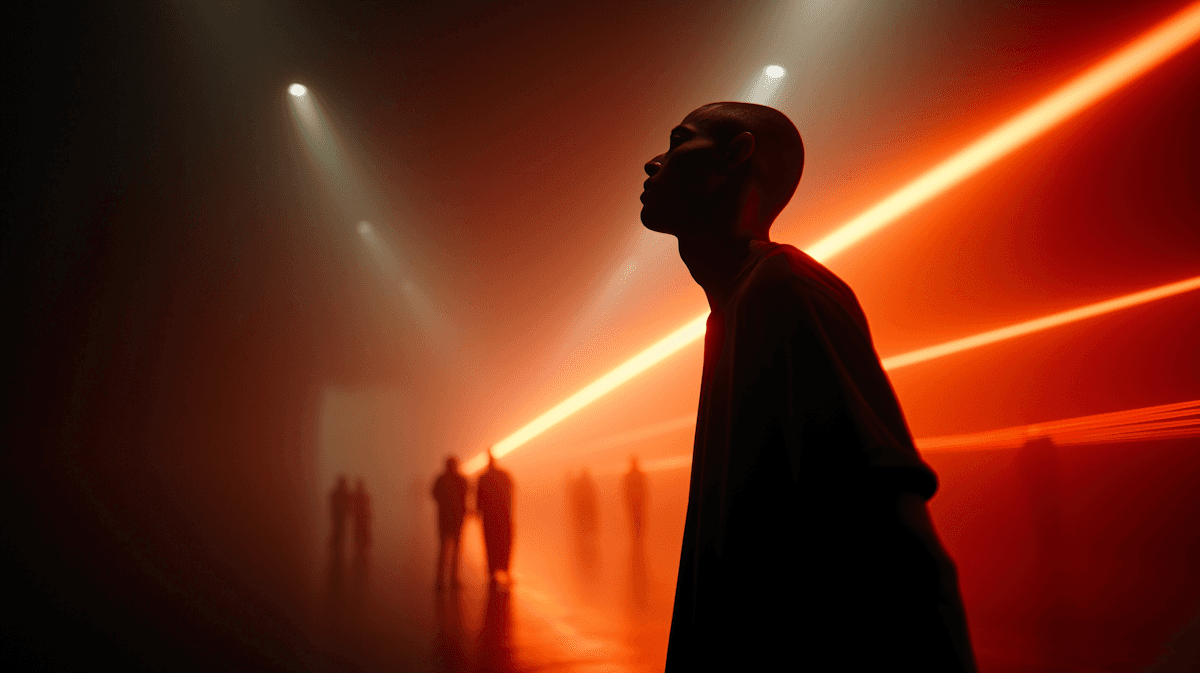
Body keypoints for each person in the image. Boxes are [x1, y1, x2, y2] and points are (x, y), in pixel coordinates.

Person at [640, 102, 976, 671]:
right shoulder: (739, 306)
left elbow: (892, 529)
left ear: (736, 154)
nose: (654, 162)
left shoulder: (784, 292)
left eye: (678, 142)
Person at [475, 450, 514, 587]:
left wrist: (478, 512)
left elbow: (479, 499)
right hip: (503, 516)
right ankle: (505, 570)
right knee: (504, 544)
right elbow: (511, 492)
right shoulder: (504, 475)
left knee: (490, 545)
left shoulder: (483, 477)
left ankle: (492, 574)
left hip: (490, 518)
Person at [432, 456, 468, 590]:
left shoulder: (441, 479)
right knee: (455, 552)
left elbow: (434, 494)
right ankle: (454, 580)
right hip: (457, 520)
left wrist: (444, 504)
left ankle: (440, 581)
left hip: (444, 520)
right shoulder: (461, 479)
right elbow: (465, 497)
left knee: (443, 551)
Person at [622, 456, 647, 542]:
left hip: (633, 503)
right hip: (637, 502)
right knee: (638, 520)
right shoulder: (639, 475)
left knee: (634, 520)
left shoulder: (629, 476)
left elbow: (626, 491)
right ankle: (638, 538)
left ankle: (636, 538)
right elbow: (644, 489)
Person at [329, 475, 351, 560]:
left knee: (339, 532)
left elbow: (348, 505)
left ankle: (337, 549)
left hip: (340, 517)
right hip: (339, 517)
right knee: (338, 532)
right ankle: (336, 549)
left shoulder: (338, 493)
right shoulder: (341, 493)